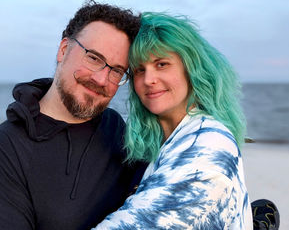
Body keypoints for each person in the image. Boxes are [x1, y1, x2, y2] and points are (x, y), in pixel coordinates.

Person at [0, 0, 146, 230]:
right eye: (93, 58)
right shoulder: (6, 149)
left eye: (116, 71)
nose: (101, 79)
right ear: (63, 50)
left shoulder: (117, 131)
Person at [93, 12, 253, 229]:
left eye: (161, 64)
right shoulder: (167, 141)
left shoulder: (208, 147)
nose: (148, 80)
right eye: (140, 69)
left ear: (192, 69)